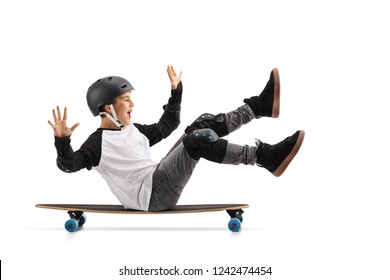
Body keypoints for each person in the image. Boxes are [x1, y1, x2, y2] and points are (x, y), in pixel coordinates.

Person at [48, 66, 304, 211]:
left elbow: (167, 125)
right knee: (198, 140)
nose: (132, 104)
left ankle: (260, 107)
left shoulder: (133, 130)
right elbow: (70, 164)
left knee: (201, 123)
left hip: (158, 177)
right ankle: (266, 157)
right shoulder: (97, 144)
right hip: (152, 197)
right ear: (107, 109)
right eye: (126, 100)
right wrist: (62, 141)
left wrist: (175, 92)